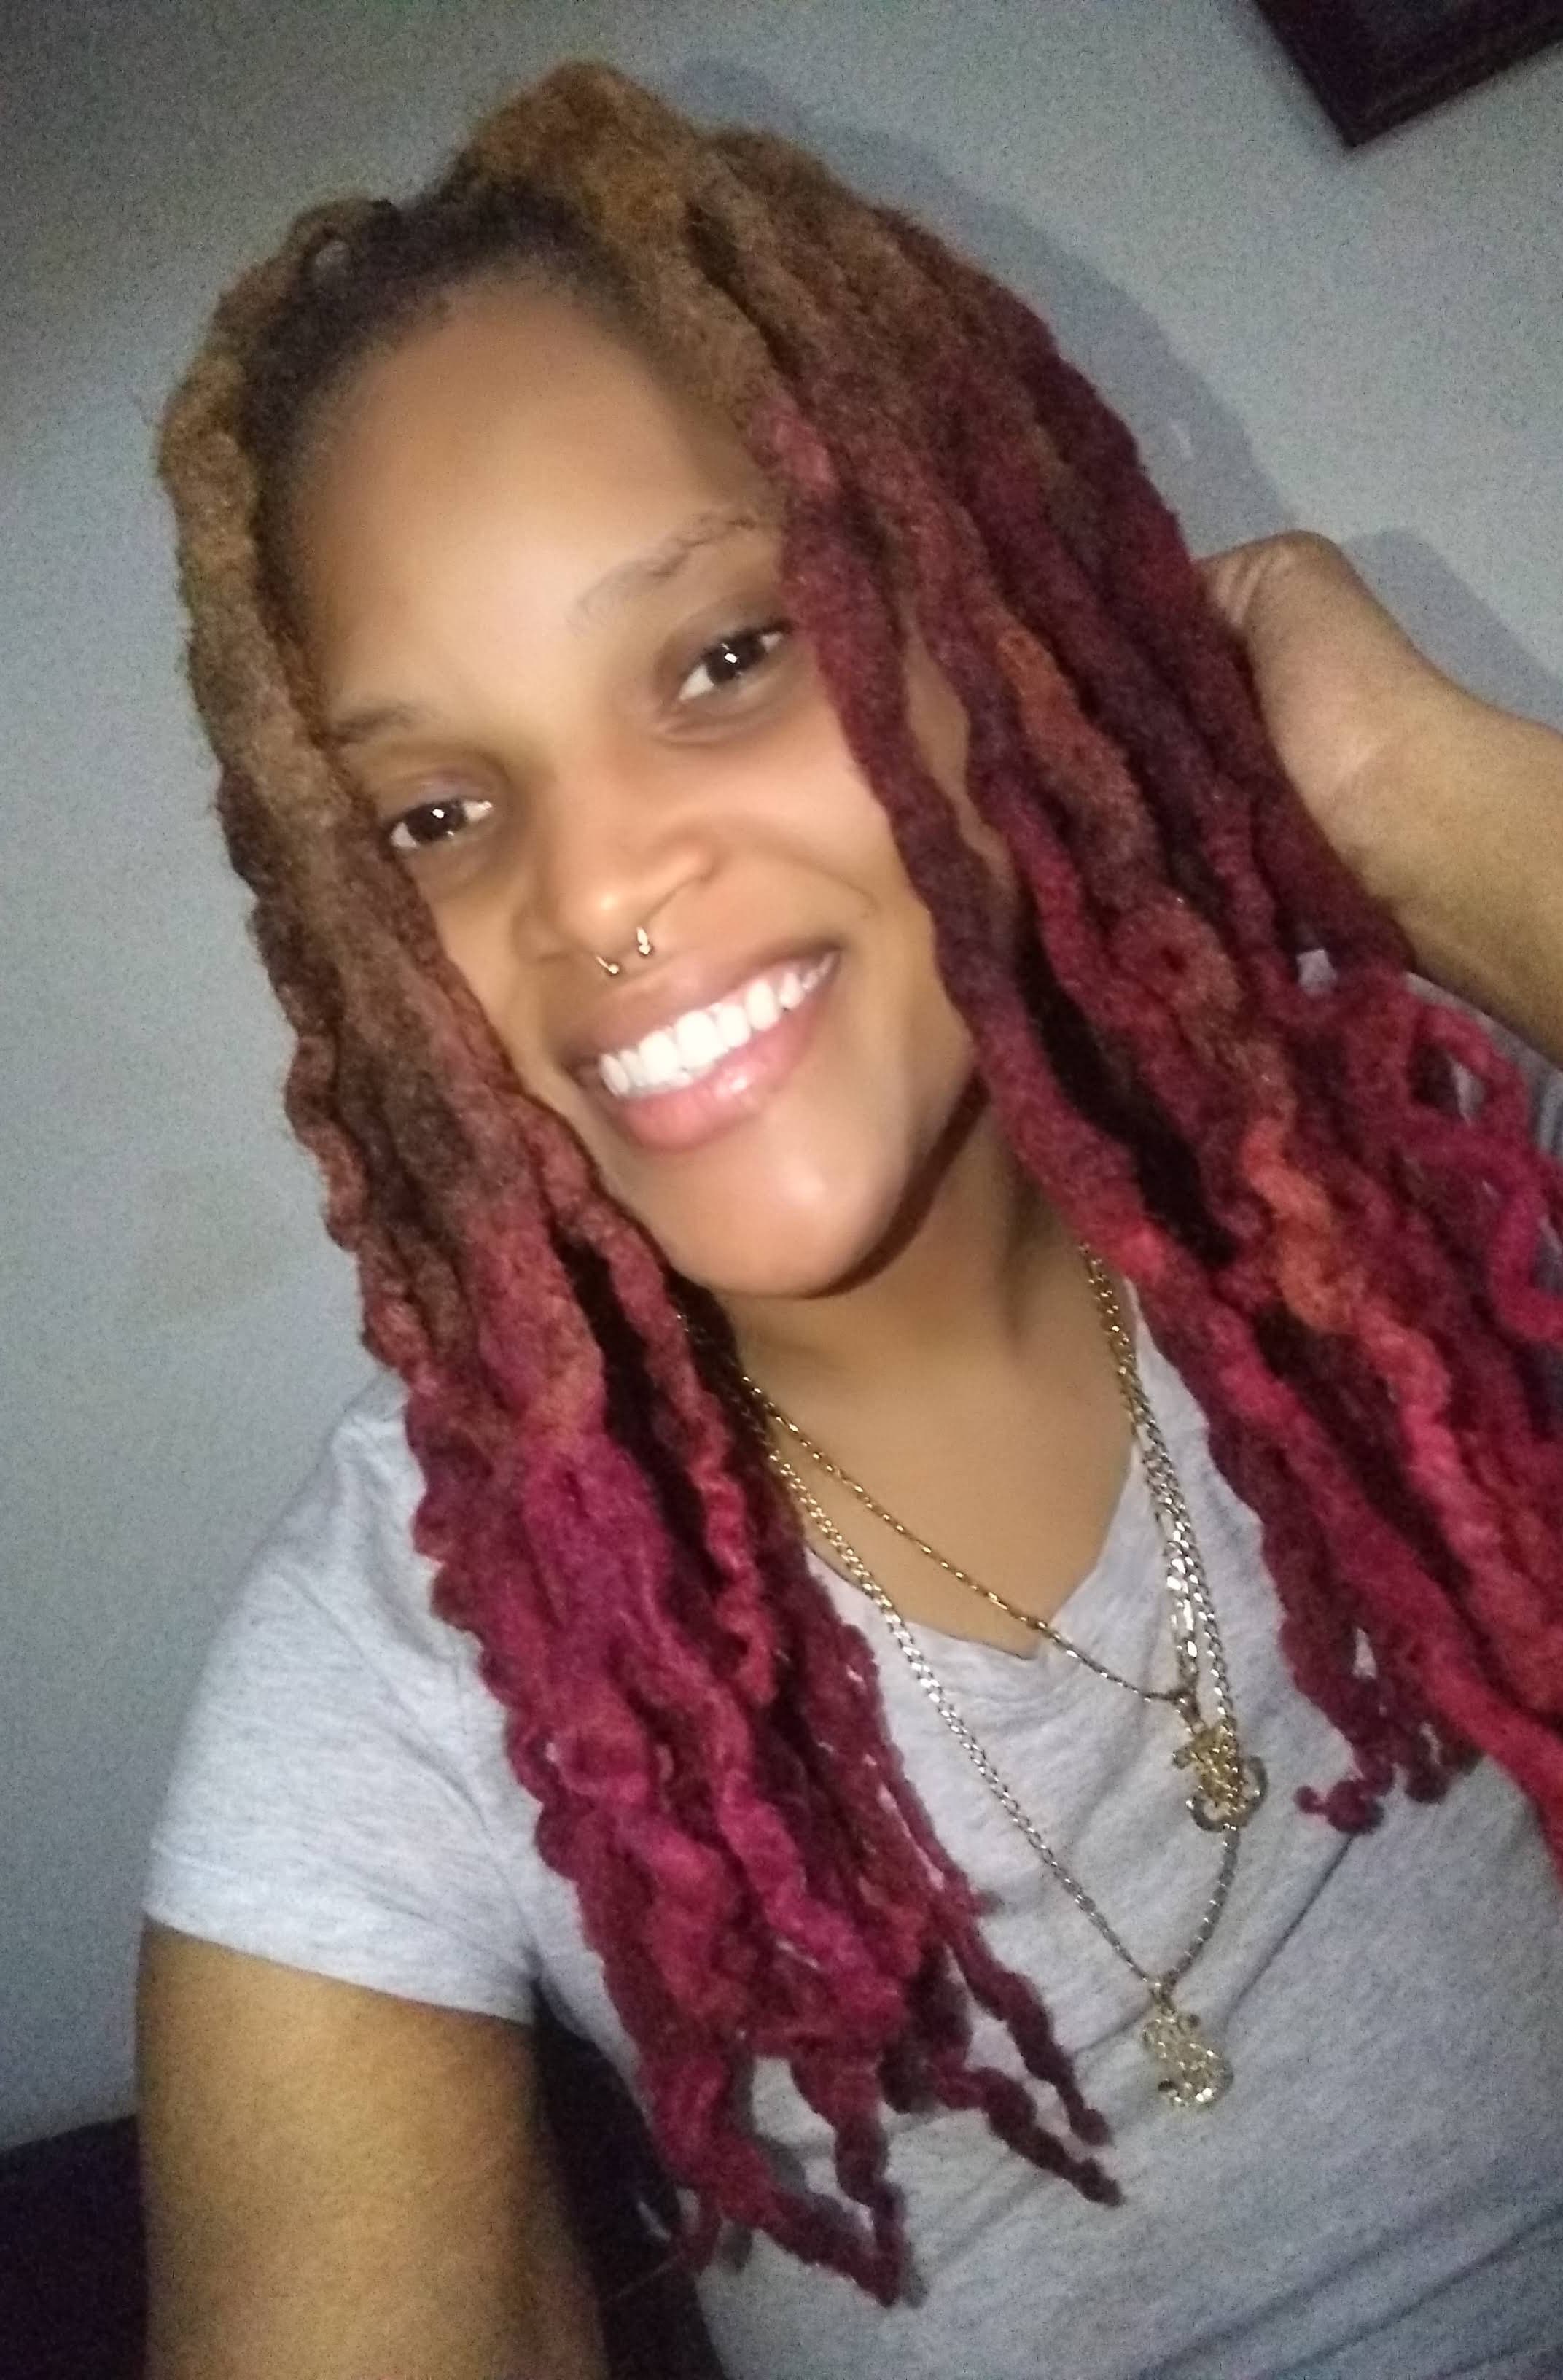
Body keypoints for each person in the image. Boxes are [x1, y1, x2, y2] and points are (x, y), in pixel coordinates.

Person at [138, 61, 1563, 2380]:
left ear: (972, 624)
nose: (597, 887)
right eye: (438, 815)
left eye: (726, 658)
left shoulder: (1400, 1184)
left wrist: (1412, 803)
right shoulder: (415, 1665)